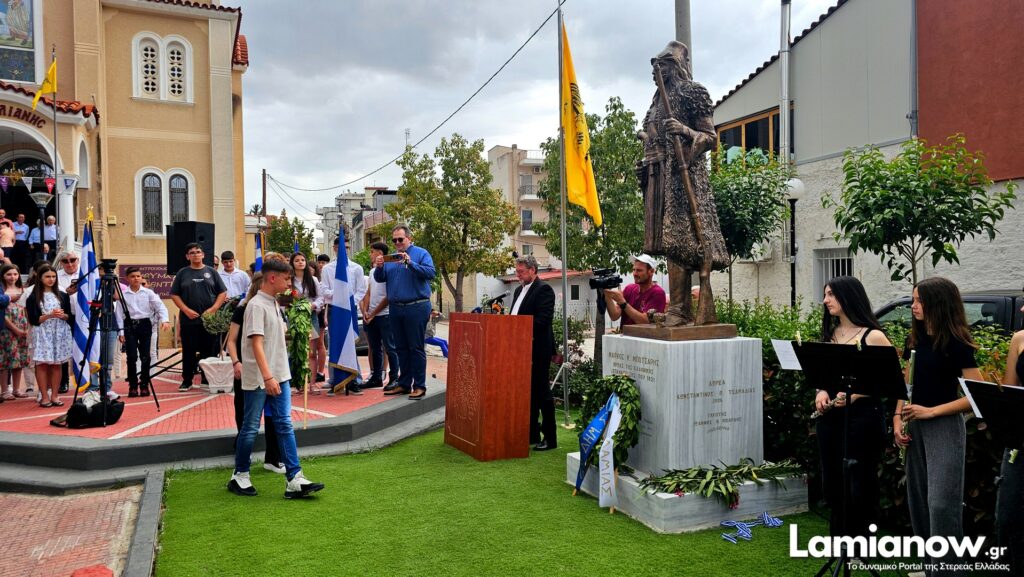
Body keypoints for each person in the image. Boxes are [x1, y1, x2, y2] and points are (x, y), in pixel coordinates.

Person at [638, 41, 729, 326]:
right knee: (668, 241)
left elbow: (710, 137)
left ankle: (681, 309)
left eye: (661, 65)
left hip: (683, 175)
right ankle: (679, 308)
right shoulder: (656, 103)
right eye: (654, 66)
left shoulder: (693, 92)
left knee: (681, 238)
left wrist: (685, 130)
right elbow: (652, 138)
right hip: (658, 175)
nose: (656, 71)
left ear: (674, 66)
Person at [895, 277, 982, 574]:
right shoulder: (915, 339)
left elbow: (975, 396)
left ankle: (949, 570)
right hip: (915, 426)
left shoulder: (956, 343)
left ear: (938, 303)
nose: (913, 306)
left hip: (944, 427)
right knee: (919, 501)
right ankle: (931, 568)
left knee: (942, 504)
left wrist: (932, 412)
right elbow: (906, 385)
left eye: (919, 300)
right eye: (913, 300)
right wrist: (897, 418)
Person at [228, 257, 324, 499]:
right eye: (287, 279)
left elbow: (276, 340)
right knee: (250, 427)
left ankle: (294, 478)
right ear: (272, 278)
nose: (290, 283)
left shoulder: (274, 303)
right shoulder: (256, 305)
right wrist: (268, 377)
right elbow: (256, 344)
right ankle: (240, 475)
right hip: (261, 377)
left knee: (284, 425)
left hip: (279, 374)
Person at [812, 276, 890, 538]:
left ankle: (861, 544)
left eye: (831, 294)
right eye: (825, 294)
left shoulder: (874, 336)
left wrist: (855, 395)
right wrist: (821, 392)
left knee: (859, 481)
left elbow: (891, 379)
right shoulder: (831, 334)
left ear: (848, 297)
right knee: (834, 482)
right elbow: (822, 376)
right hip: (831, 419)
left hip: (863, 419)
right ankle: (839, 541)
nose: (825, 300)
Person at [225, 273, 283, 475]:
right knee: (246, 416)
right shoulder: (243, 309)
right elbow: (231, 340)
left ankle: (273, 458)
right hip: (247, 369)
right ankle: (243, 459)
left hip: (270, 369)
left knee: (274, 416)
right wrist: (236, 362)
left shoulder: (274, 307)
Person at [374, 225, 435, 400]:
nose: (397, 243)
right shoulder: (391, 258)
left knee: (415, 347)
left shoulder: (421, 253)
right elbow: (380, 278)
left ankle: (419, 385)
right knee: (400, 347)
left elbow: (430, 273)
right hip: (395, 307)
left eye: (400, 239)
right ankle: (404, 383)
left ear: (409, 238)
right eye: (394, 240)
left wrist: (410, 263)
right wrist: (379, 267)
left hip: (416, 306)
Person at [508, 255, 557, 450]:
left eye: (521, 272)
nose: (518, 275)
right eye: (516, 271)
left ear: (533, 270)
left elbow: (543, 320)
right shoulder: (518, 290)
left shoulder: (544, 289)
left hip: (538, 349)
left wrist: (517, 330)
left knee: (542, 392)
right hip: (520, 349)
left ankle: (550, 438)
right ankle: (532, 433)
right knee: (527, 393)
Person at [169, 243, 227, 391]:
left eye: (198, 252)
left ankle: (207, 378)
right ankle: (187, 380)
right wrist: (186, 310)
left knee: (209, 350)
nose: (195, 254)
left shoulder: (211, 272)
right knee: (188, 351)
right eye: (192, 252)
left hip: (208, 321)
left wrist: (213, 309)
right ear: (187, 256)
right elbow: (174, 294)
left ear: (203, 255)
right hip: (189, 320)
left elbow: (222, 292)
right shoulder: (182, 273)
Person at [319, 236, 367, 394]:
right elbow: (324, 290)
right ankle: (336, 380)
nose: (344, 250)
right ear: (334, 248)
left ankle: (354, 380)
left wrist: (351, 302)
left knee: (350, 344)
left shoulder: (356, 268)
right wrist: (339, 295)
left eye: (347, 248)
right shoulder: (327, 269)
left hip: (349, 310)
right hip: (335, 309)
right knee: (335, 344)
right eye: (341, 248)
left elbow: (361, 290)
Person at [995, 313, 1024, 573]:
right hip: (1019, 441)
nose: (1022, 309)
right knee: (1008, 517)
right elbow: (1011, 390)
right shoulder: (1019, 339)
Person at [116, 267, 170, 397]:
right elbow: (118, 314)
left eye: (138, 276)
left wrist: (165, 320)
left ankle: (144, 384)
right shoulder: (123, 294)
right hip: (129, 325)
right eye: (133, 276)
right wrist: (121, 332)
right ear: (127, 278)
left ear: (141, 277)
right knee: (131, 357)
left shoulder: (148, 293)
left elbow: (160, 306)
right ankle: (133, 385)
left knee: (145, 356)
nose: (136, 278)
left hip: (145, 324)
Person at [26, 264, 73, 408]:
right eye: (47, 276)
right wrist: (50, 315)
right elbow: (34, 320)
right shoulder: (33, 297)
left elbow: (69, 316)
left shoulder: (62, 295)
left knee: (57, 364)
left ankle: (55, 395)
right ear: (40, 278)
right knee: (42, 364)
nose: (51, 279)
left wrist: (62, 315)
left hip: (59, 332)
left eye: (53, 276)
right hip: (42, 332)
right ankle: (44, 396)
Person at [362, 242, 398, 389]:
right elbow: (369, 292)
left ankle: (394, 378)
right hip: (371, 316)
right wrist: (366, 310)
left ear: (380, 254)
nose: (370, 254)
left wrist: (374, 313)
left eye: (372, 251)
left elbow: (389, 296)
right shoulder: (372, 271)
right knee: (374, 347)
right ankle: (376, 377)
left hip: (385, 315)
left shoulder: (390, 269)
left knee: (390, 348)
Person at [289, 252, 325, 392]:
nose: (300, 262)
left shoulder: (313, 280)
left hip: (310, 316)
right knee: (296, 351)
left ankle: (312, 383)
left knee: (311, 352)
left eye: (303, 260)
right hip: (294, 317)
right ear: (292, 263)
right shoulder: (288, 279)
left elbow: (320, 298)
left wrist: (313, 305)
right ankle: (298, 384)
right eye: (297, 260)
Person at [603, 254, 667, 326]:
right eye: (634, 270)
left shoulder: (657, 293)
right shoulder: (629, 289)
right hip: (625, 333)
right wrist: (606, 293)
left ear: (651, 272)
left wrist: (623, 302)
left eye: (639, 270)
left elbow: (646, 321)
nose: (635, 273)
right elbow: (614, 316)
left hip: (642, 334)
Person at [0, 264, 30, 400]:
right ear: (3, 275)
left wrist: (26, 328)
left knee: (20, 359)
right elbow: (3, 315)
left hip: (22, 327)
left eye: (15, 274)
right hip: (7, 329)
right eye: (9, 274)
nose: (12, 277)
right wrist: (15, 329)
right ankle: (5, 390)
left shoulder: (23, 290)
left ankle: (17, 389)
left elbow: (26, 310)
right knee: (6, 359)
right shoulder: (2, 290)